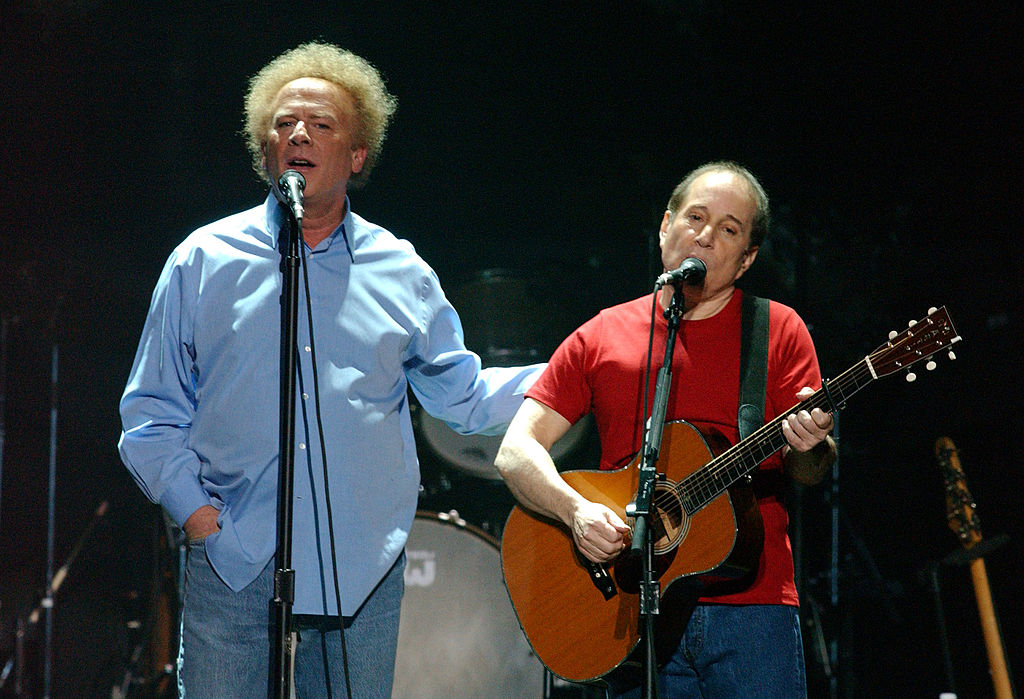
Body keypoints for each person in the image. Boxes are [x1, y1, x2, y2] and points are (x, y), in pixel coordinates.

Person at [118, 42, 543, 698]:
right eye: (284, 123)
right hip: (233, 556)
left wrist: (576, 372)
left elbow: (461, 394)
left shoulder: (401, 271)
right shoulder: (201, 261)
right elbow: (150, 413)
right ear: (265, 148)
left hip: (359, 564)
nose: (299, 135)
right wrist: (199, 517)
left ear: (357, 155)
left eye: (321, 125)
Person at [495, 161, 836, 697]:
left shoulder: (777, 329)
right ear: (664, 226)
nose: (705, 234)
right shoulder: (601, 334)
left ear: (746, 259)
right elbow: (516, 451)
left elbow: (811, 471)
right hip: (628, 611)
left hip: (752, 609)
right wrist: (576, 512)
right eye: (695, 217)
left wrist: (811, 445)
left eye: (729, 229)